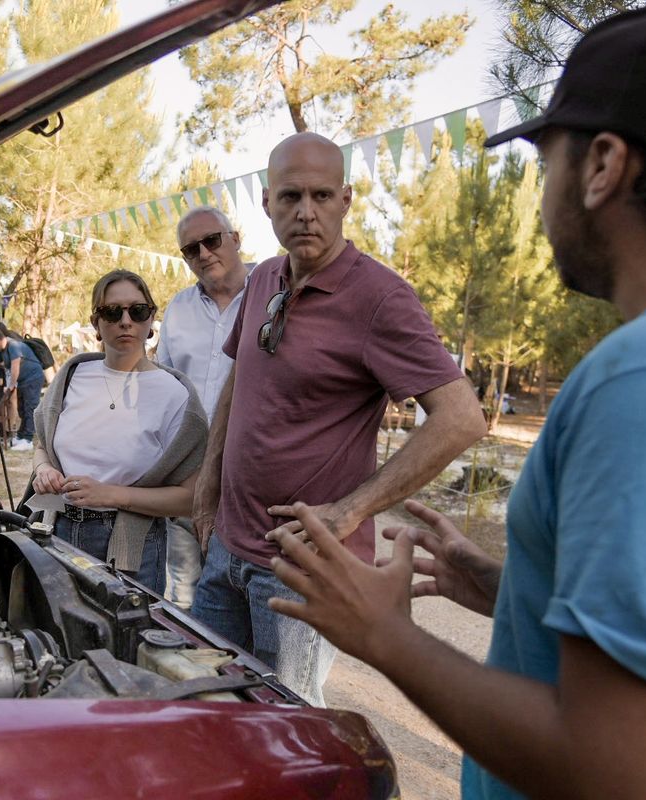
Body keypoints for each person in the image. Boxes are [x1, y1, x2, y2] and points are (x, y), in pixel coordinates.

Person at [266, 5, 646, 798]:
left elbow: (634, 773)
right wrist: (510, 590)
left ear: (603, 166)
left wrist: (386, 639)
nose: (541, 189)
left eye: (545, 160)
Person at [190, 132, 487, 706]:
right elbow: (238, 380)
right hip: (227, 547)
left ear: (347, 200)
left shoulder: (380, 299)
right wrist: (207, 480)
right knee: (211, 710)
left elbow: (462, 418)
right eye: (291, 197)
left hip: (305, 568)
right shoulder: (263, 278)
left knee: (291, 731)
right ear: (266, 201)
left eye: (322, 196)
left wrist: (351, 510)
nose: (306, 212)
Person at [31, 269, 208, 593]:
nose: (125, 321)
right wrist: (43, 469)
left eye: (137, 311)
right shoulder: (71, 376)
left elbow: (191, 499)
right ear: (96, 323)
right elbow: (42, 440)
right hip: (56, 529)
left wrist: (112, 495)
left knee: (123, 640)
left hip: (131, 545)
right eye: (112, 312)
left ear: (151, 319)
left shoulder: (176, 394)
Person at [156, 206, 251, 610]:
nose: (204, 253)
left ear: (235, 238)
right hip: (187, 473)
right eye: (191, 249)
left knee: (241, 600)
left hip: (247, 479)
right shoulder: (178, 308)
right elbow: (163, 386)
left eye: (212, 240)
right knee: (182, 599)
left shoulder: (272, 295)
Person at [0, 328, 43, 451]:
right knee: (21, 408)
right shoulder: (1, 351)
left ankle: (28, 440)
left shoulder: (13, 346)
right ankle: (21, 436)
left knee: (30, 407)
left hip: (33, 378)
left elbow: (15, 367)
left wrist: (11, 385)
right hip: (22, 381)